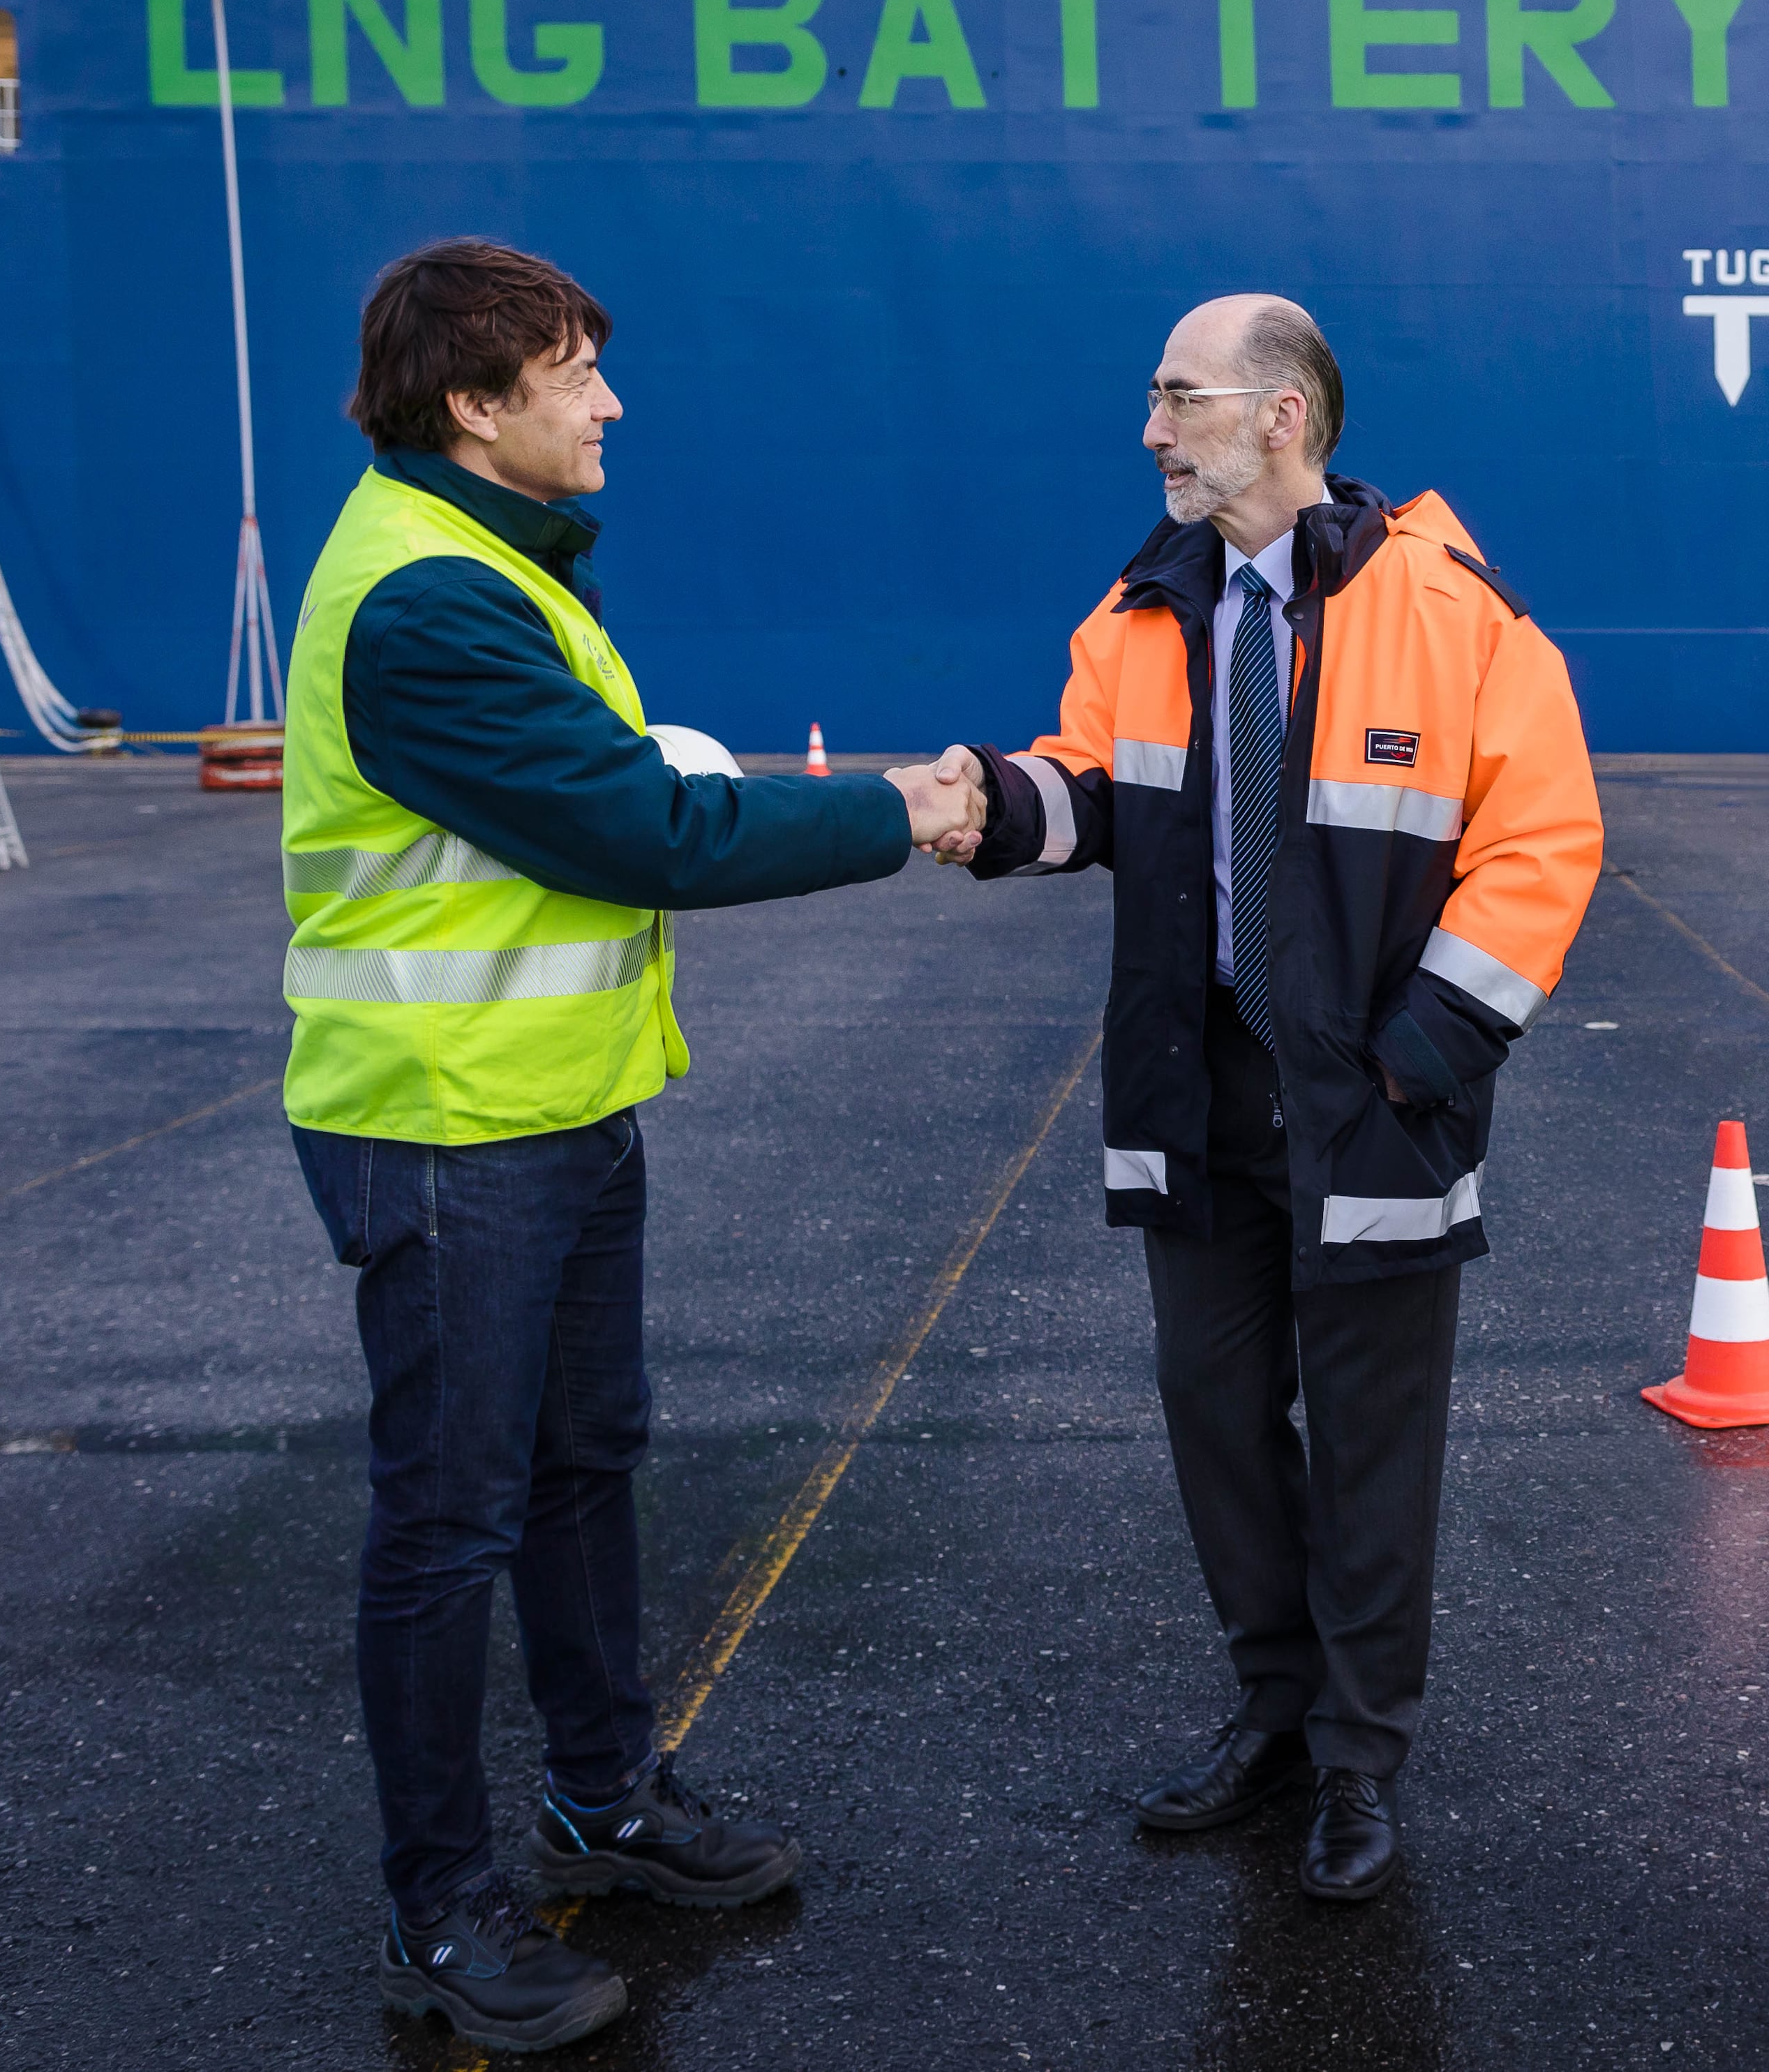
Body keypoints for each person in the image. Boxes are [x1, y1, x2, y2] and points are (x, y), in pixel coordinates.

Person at [284, 237, 980, 2052]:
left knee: (585, 1459)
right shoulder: (428, 599)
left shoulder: (490, 560)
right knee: (448, 1518)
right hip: (446, 1126)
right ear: (472, 400)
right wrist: (891, 809)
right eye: (576, 370)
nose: (611, 400)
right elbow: (635, 825)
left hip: (553, 1108)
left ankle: (604, 1796)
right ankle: (437, 1904)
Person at [926, 295, 1602, 1902]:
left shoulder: (1454, 612)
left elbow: (1543, 846)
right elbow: (1089, 787)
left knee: (1373, 1442)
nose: (1153, 431)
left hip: (1372, 1098)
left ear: (1282, 414)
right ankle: (1276, 1707)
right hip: (1201, 1089)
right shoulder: (1142, 608)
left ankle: (1363, 1756)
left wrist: (1417, 1061)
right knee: (1216, 1413)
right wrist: (988, 803)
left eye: (1180, 398)